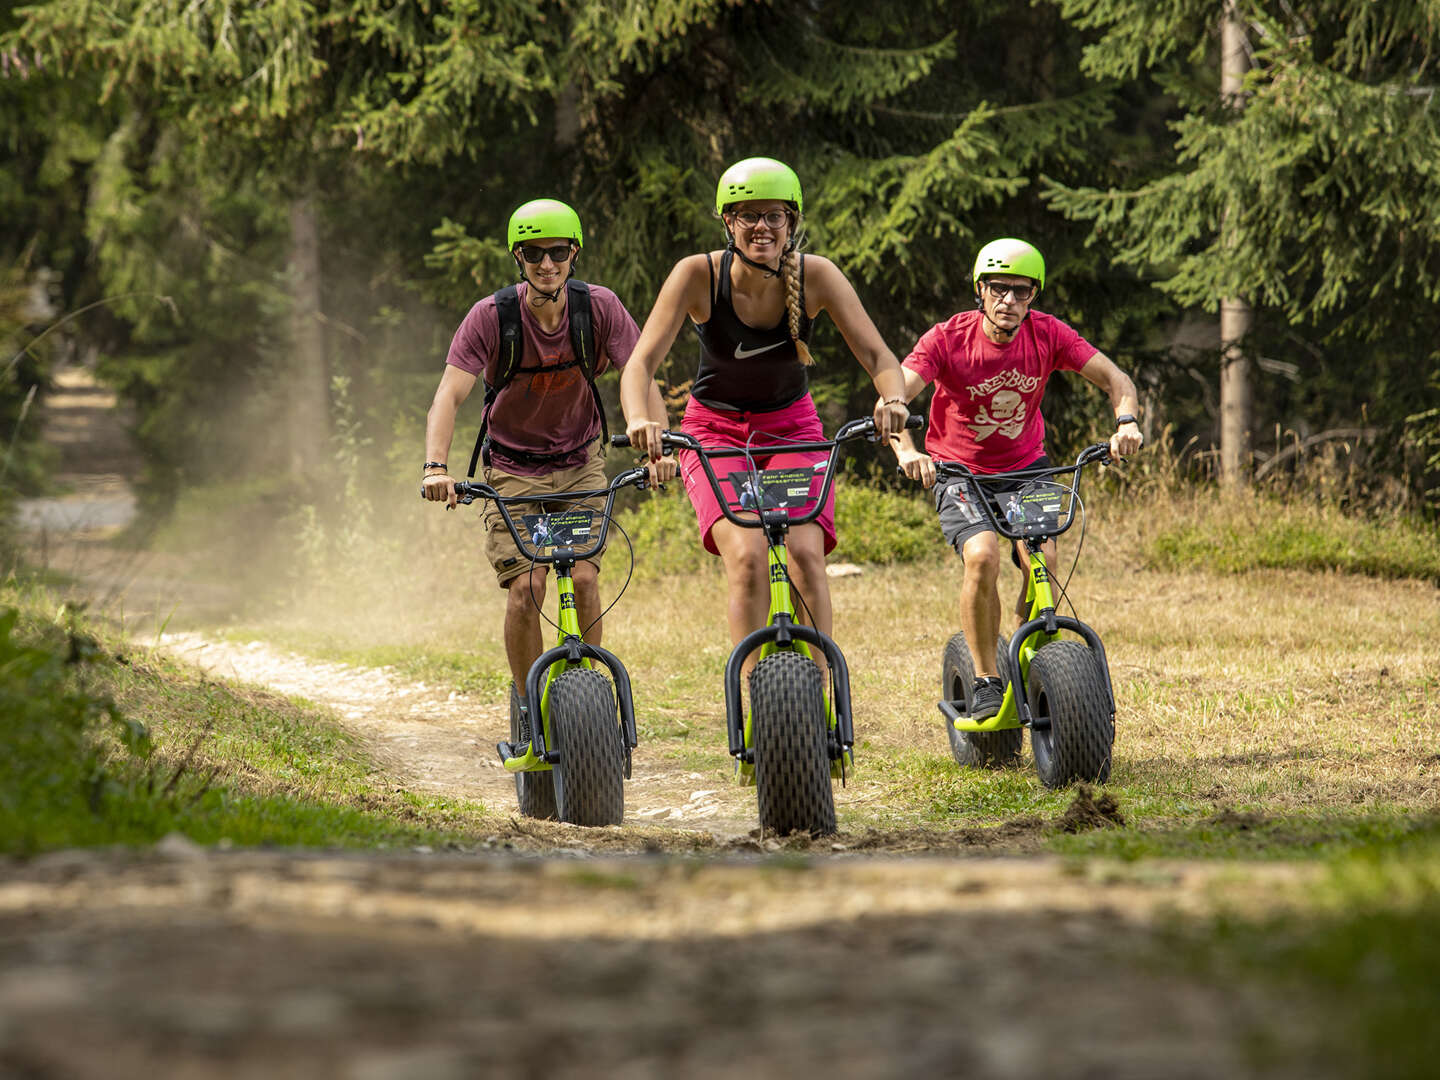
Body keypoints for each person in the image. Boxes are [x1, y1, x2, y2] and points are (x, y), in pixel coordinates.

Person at [620, 156, 910, 686]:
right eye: (747, 215)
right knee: (749, 556)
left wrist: (892, 400)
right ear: (727, 222)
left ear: (791, 224)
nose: (762, 227)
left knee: (804, 551)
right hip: (713, 432)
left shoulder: (816, 275)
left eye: (774, 216)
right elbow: (640, 364)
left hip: (792, 428)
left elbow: (879, 357)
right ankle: (756, 702)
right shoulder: (697, 275)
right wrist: (642, 421)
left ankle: (823, 697)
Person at [421, 198, 668, 744]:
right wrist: (437, 466)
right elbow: (449, 395)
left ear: (574, 252)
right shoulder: (492, 318)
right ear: (519, 257)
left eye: (558, 251)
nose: (547, 264)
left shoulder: (598, 308)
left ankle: (589, 692)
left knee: (582, 576)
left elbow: (641, 373)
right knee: (526, 586)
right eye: (535, 253)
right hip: (512, 469)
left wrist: (657, 448)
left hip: (581, 462)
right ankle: (532, 709)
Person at [890, 237, 1144, 719]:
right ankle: (987, 679)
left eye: (1022, 292)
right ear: (981, 290)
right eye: (1000, 289)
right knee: (982, 554)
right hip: (959, 472)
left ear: (1034, 296)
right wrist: (907, 449)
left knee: (1042, 556)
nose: (1009, 302)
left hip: (1026, 467)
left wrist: (1126, 422)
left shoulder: (1047, 335)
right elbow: (894, 399)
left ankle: (1030, 642)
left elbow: (1118, 382)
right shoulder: (946, 339)